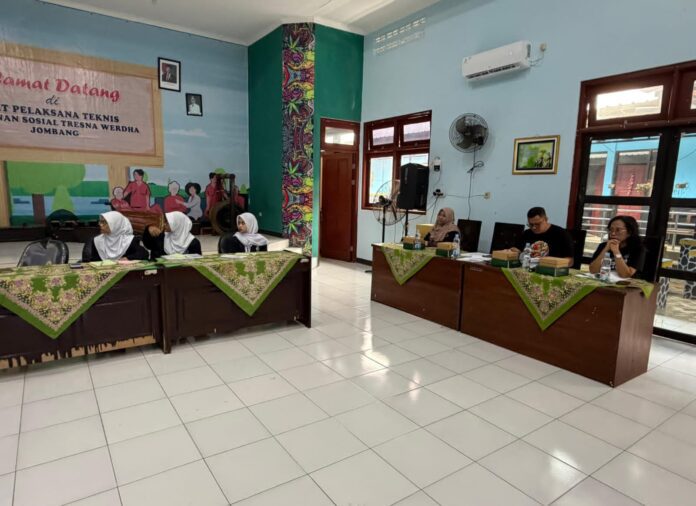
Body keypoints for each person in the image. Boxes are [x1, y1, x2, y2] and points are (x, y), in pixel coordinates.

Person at [82, 211, 148, 262]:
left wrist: (128, 258)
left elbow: (144, 253)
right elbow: (93, 261)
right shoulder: (97, 241)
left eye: (104, 222)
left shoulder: (128, 240)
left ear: (115, 225)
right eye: (100, 222)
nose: (100, 224)